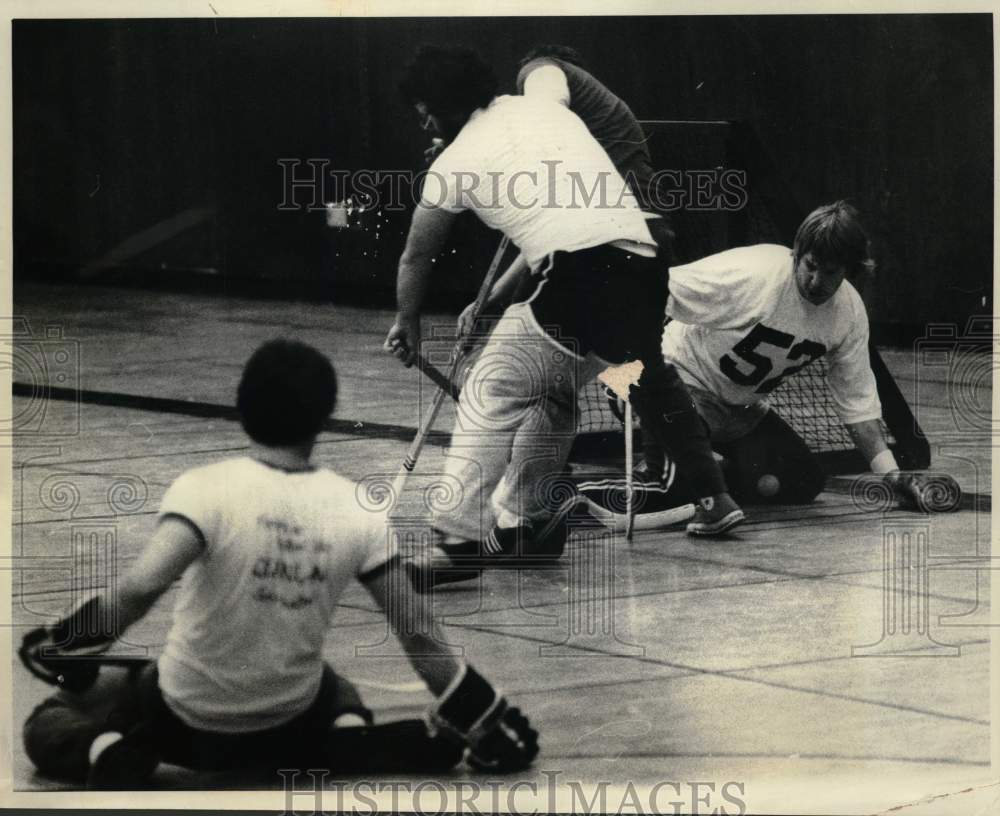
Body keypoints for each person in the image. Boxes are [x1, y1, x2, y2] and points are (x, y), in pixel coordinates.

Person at [18, 339, 538, 789]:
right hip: (289, 730)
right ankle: (347, 739)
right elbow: (418, 631)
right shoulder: (357, 506)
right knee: (339, 688)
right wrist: (483, 711)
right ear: (323, 418)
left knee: (50, 717)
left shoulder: (204, 489)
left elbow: (139, 589)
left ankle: (106, 749)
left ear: (243, 408)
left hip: (182, 723)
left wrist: (68, 641)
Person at [387, 43, 743, 569]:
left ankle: (459, 539)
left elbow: (417, 256)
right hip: (645, 266)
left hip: (583, 274)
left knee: (494, 385)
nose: (425, 129)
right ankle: (531, 524)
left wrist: (407, 321)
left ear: (440, 110)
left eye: (424, 116)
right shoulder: (545, 110)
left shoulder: (454, 161)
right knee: (550, 392)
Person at [603, 201, 954, 510]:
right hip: (676, 383)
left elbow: (857, 402)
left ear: (851, 270)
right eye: (810, 265)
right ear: (797, 254)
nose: (815, 281)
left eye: (830, 272)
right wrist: (625, 370)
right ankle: (584, 497)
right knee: (672, 489)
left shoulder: (849, 314)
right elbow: (654, 290)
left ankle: (704, 472)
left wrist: (891, 477)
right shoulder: (755, 274)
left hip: (738, 411)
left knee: (802, 480)